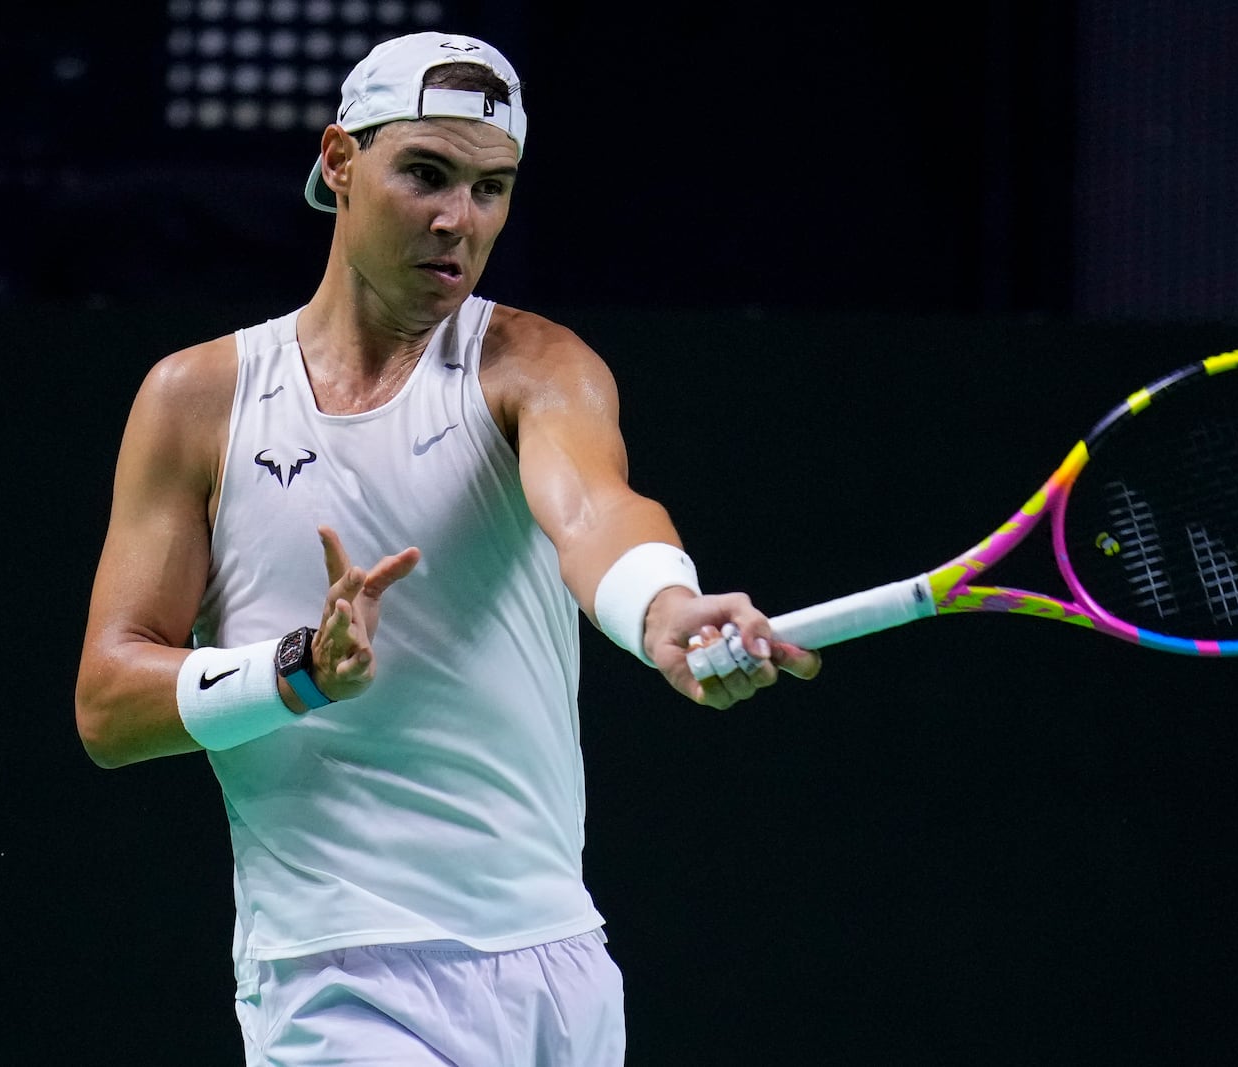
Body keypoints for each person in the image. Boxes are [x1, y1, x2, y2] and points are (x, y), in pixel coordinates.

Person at [74, 30, 820, 1066]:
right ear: (340, 162)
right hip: (336, 975)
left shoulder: (531, 362)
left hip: (554, 967)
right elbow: (108, 705)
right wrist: (297, 671)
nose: (455, 221)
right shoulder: (199, 400)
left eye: (490, 188)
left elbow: (596, 509)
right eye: (425, 173)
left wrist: (661, 606)